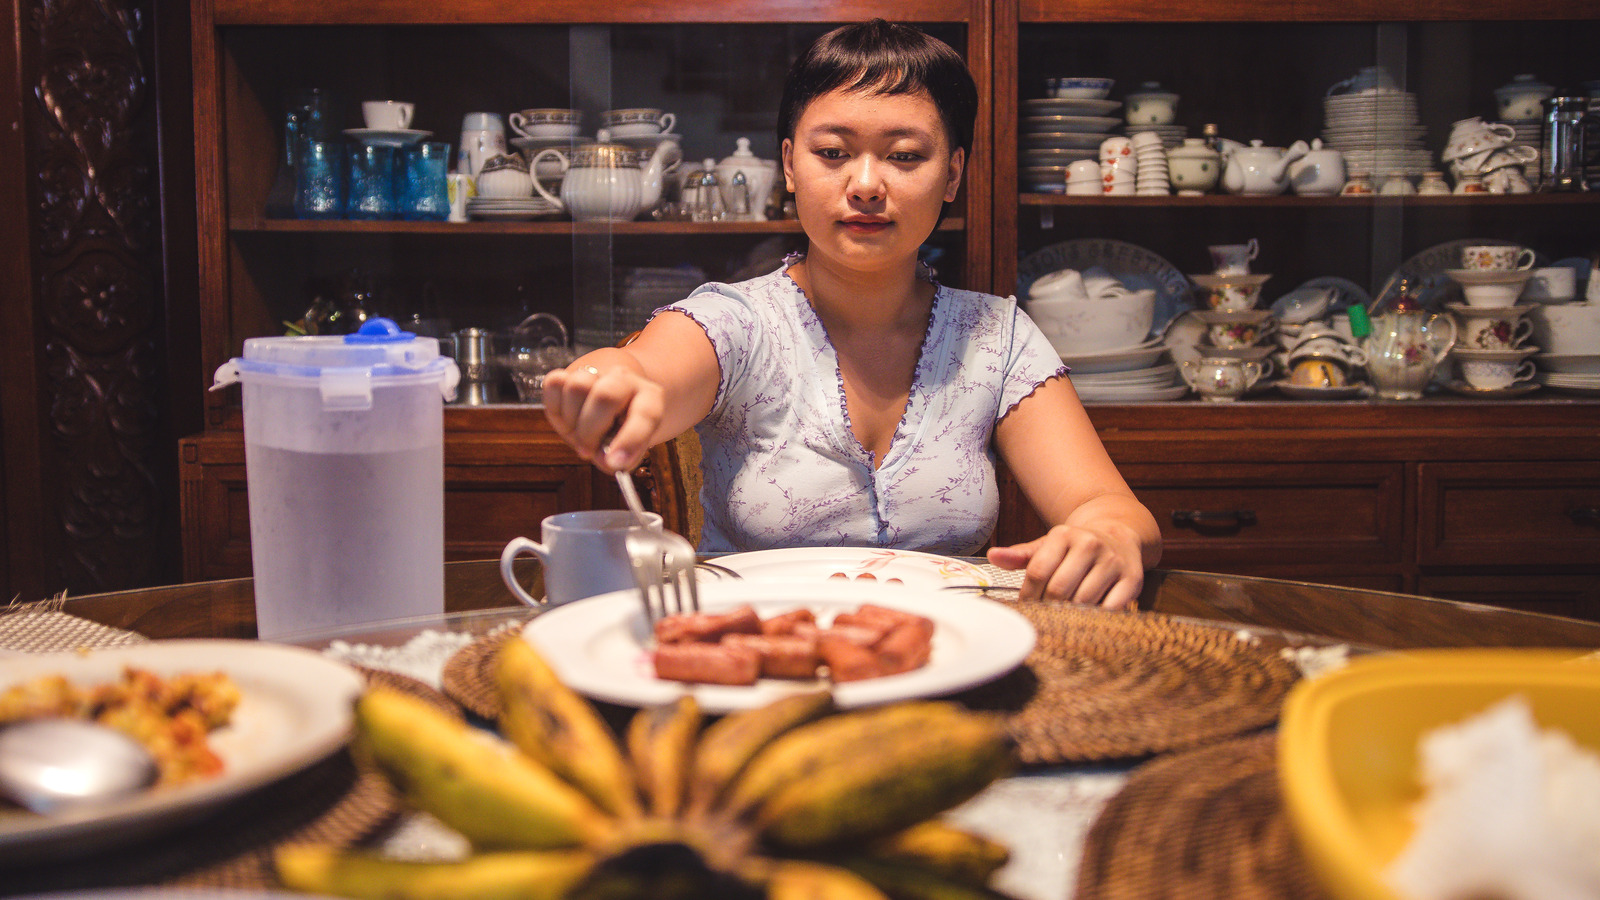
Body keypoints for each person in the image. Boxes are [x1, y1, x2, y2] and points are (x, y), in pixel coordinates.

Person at [543, 19, 1160, 608]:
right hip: (753, 655)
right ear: (790, 164)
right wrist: (611, 383)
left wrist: (1108, 535)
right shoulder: (736, 324)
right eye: (833, 152)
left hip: (950, 657)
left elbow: (1107, 505)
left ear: (954, 174)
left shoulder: (996, 338)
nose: (866, 184)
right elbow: (642, 371)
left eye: (906, 156)